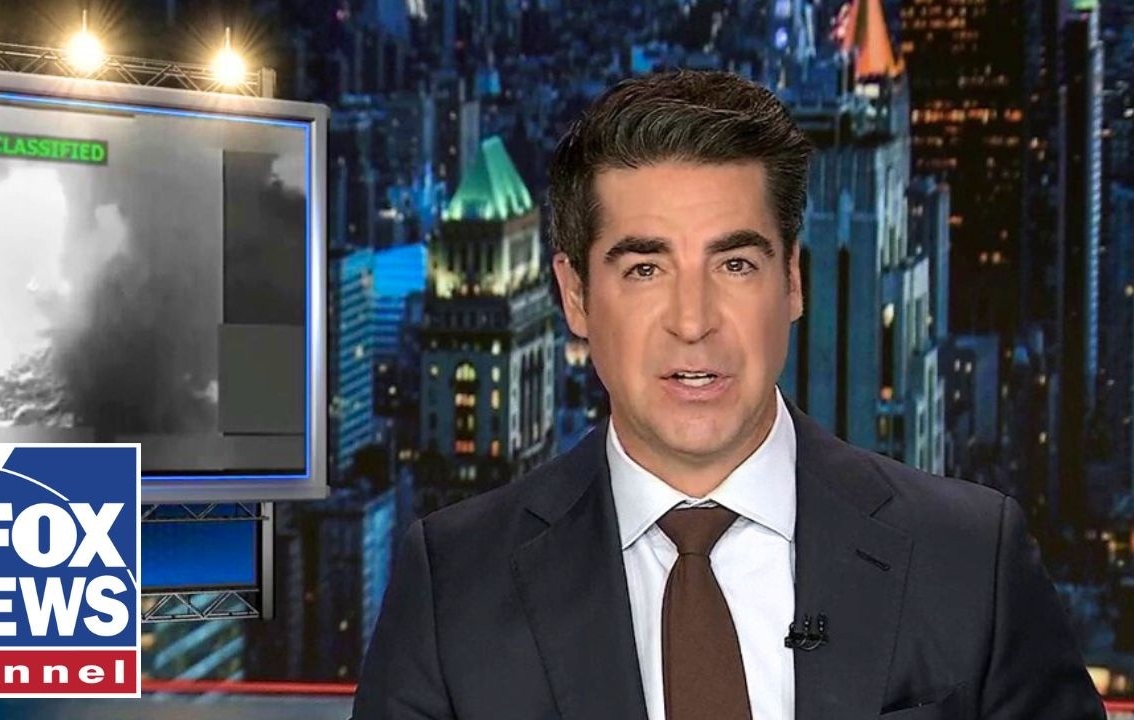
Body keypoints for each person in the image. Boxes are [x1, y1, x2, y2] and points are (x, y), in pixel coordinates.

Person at [351, 70, 1105, 720]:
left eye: (735, 264)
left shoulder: (971, 559)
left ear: (793, 282)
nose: (693, 321)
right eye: (645, 270)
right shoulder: (453, 586)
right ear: (575, 297)